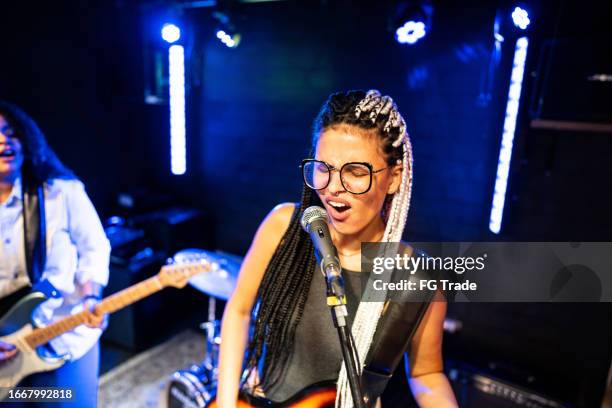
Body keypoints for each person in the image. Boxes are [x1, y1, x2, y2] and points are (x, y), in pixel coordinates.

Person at [216, 90, 458, 407]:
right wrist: (224, 402)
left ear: (395, 178)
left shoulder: (417, 279)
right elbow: (239, 310)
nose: (333, 188)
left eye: (356, 172)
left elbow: (426, 374)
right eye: (323, 168)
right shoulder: (283, 227)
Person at [0, 100, 110, 407]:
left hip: (64, 336)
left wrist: (91, 295)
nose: (4, 140)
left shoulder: (60, 192)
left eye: (11, 132)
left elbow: (95, 247)